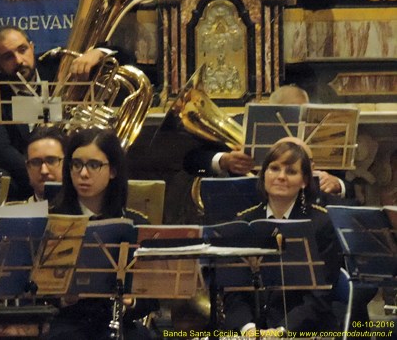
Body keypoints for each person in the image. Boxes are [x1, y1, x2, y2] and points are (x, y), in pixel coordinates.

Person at [0, 25, 117, 201]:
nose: (19, 60)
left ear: (32, 48)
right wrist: (44, 174)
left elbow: (127, 57)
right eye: (8, 56)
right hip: (28, 185)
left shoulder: (59, 66)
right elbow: (0, 149)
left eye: (22, 50)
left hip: (80, 172)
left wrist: (99, 53)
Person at [49, 128, 158, 340]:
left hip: (120, 324)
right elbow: (32, 293)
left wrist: (131, 302)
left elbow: (152, 299)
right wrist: (64, 299)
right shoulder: (53, 221)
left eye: (94, 165)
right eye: (76, 164)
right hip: (68, 325)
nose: (83, 173)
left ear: (113, 171)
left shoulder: (135, 225)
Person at [223, 140, 342, 334]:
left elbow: (321, 295)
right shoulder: (244, 222)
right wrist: (248, 328)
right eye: (274, 168)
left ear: (304, 181)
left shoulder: (321, 223)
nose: (281, 177)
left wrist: (282, 330)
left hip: (304, 330)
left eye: (291, 171)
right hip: (252, 331)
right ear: (263, 175)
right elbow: (233, 291)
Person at [183, 85, 354, 202]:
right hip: (249, 204)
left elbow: (349, 187)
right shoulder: (241, 124)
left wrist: (337, 185)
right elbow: (191, 161)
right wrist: (224, 160)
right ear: (270, 110)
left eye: (302, 113)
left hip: (310, 210)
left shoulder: (321, 129)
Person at [25, 126, 65, 203]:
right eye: (36, 162)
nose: (44, 171)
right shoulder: (15, 213)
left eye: (51, 161)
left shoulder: (89, 212)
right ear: (27, 168)